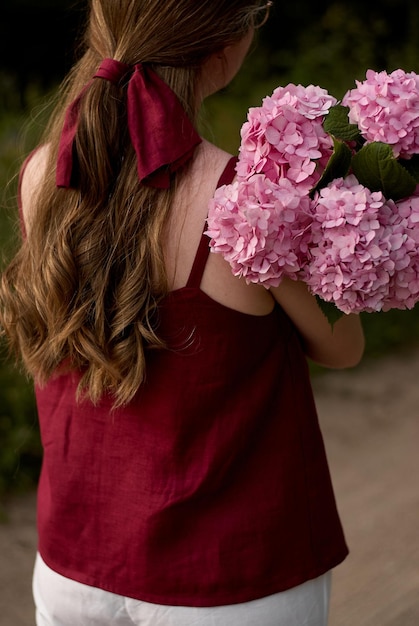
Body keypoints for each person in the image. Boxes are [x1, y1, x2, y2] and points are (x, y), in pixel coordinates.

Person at [0, 1, 365, 624]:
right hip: (227, 579)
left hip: (74, 566)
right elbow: (343, 346)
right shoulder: (249, 206)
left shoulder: (43, 176)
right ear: (223, 49)